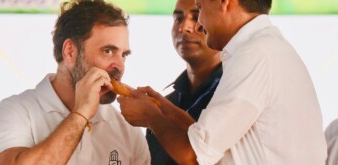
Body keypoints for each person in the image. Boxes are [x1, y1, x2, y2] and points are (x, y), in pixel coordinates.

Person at [117, 0, 327, 164]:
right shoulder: (266, 48)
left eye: (199, 9)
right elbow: (212, 144)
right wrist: (168, 112)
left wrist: (151, 116)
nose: (197, 25)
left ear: (224, 2)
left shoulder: (255, 54)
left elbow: (193, 156)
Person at [0, 0, 150, 164]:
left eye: (123, 55)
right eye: (108, 51)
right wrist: (81, 113)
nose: (119, 66)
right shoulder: (17, 111)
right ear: (70, 52)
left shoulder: (127, 129)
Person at [146, 0, 222, 164]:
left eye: (197, 16)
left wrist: (152, 118)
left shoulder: (233, 94)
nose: (184, 28)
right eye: (178, 19)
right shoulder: (163, 104)